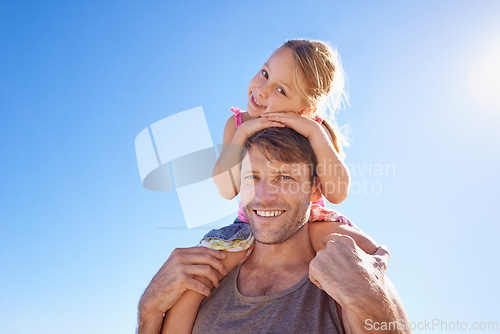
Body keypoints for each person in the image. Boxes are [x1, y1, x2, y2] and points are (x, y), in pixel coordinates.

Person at [158, 39, 363, 332]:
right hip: (250, 224)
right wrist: (241, 135)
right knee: (200, 277)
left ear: (307, 106)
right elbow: (226, 188)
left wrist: (317, 134)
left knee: (352, 246)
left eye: (281, 90)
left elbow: (338, 193)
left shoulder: (313, 128)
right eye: (265, 73)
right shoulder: (237, 122)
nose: (262, 90)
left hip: (305, 222)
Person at [137, 127, 410, 333]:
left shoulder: (350, 276)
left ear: (315, 187)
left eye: (285, 177)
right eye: (251, 177)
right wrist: (149, 311)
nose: (263, 196)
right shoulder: (205, 276)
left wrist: (366, 299)